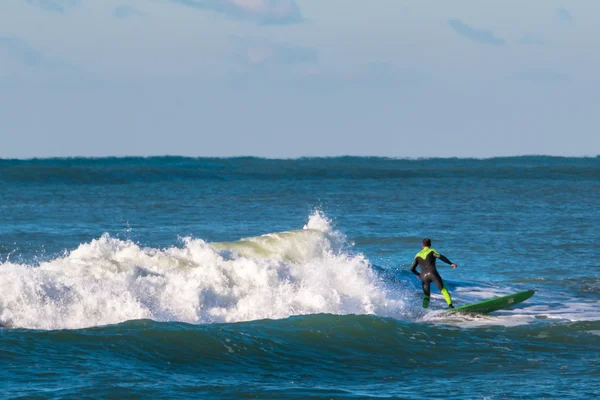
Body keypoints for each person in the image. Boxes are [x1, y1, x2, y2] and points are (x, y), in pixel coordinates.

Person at [410, 238, 457, 309]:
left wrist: (418, 274)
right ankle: (451, 306)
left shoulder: (417, 255)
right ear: (430, 245)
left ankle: (424, 311)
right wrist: (450, 263)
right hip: (433, 274)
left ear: (422, 245)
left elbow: (412, 269)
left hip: (424, 277)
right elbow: (440, 256)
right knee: (443, 290)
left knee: (426, 296)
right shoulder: (432, 251)